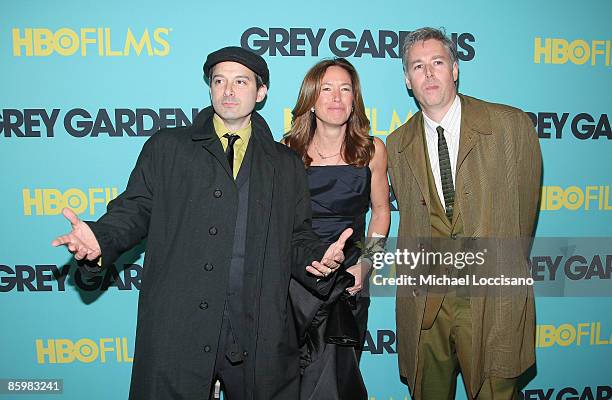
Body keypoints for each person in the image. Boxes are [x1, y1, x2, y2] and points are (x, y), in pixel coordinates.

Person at [52, 46, 353, 400]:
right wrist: (99, 240)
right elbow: (134, 211)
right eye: (219, 81)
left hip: (259, 333)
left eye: (240, 82)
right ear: (209, 88)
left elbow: (297, 236)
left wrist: (318, 258)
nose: (228, 91)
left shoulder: (285, 163)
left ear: (260, 93)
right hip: (179, 325)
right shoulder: (168, 148)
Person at [386, 28, 541, 399]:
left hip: (490, 299)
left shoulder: (510, 126)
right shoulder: (397, 144)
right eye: (418, 66)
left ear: (454, 69)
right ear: (407, 79)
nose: (429, 73)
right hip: (426, 306)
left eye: (438, 62)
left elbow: (524, 212)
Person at [284, 58, 390, 400]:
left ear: (354, 99)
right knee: (295, 376)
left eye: (345, 89)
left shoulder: (372, 150)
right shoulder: (287, 151)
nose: (336, 97)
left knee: (338, 377)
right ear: (311, 99)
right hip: (299, 280)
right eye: (326, 89)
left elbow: (381, 211)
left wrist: (368, 265)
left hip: (349, 279)